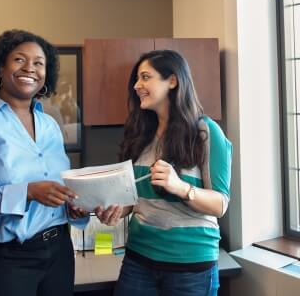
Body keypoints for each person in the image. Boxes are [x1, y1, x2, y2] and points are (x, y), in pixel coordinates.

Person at [0, 30, 89, 296]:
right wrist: (28, 192)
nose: (30, 69)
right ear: (0, 65)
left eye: (38, 63)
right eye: (19, 60)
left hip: (59, 251)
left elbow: (58, 186)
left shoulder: (50, 125)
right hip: (5, 260)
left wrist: (73, 208)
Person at [95, 50, 232, 296]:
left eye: (145, 77)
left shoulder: (206, 132)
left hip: (191, 265)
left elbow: (220, 204)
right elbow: (135, 198)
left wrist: (181, 187)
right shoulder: (140, 133)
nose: (137, 86)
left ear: (172, 80)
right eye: (137, 79)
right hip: (138, 259)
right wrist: (117, 208)